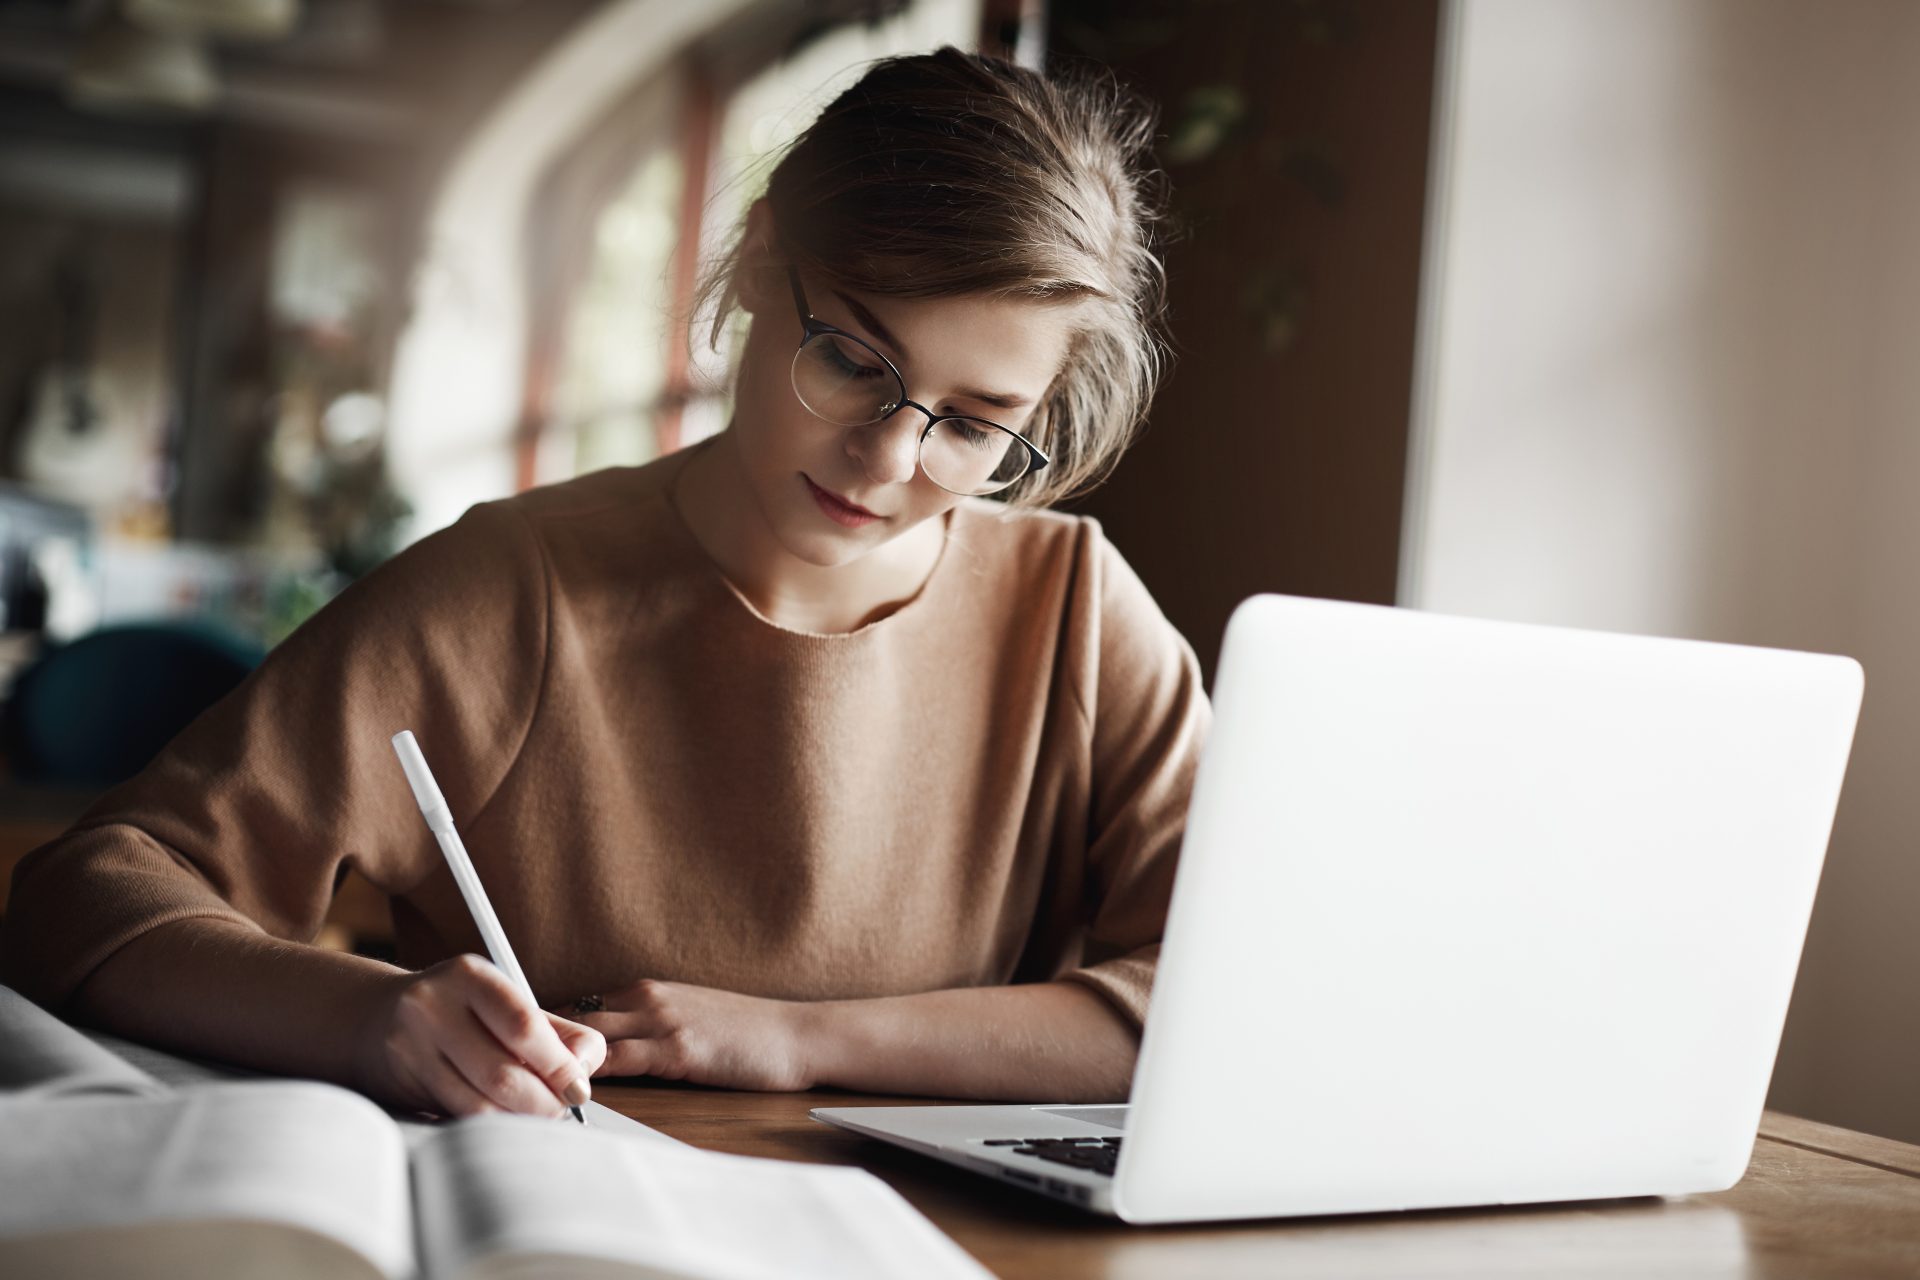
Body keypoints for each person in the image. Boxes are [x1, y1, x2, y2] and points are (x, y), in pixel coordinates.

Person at [0, 46, 1208, 1119]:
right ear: (755, 265)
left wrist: (792, 1039)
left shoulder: (1081, 618)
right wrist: (363, 1015)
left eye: (976, 423)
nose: (891, 459)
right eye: (852, 359)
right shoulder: (514, 586)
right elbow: (85, 899)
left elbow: (1210, 1005)